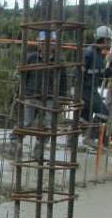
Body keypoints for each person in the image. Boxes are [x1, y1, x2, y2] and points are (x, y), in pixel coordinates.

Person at [6, 30, 69, 160]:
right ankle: (14, 144)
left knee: (47, 126)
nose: (47, 46)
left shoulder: (59, 62)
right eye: (43, 43)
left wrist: (62, 98)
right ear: (39, 44)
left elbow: (63, 81)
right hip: (31, 95)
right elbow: (23, 78)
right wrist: (19, 93)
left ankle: (38, 151)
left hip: (50, 97)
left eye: (51, 43)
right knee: (26, 123)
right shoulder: (31, 58)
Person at [80, 25, 112, 147]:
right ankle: (89, 138)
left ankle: (71, 140)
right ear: (104, 40)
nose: (110, 43)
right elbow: (79, 72)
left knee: (84, 118)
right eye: (109, 40)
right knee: (104, 113)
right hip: (86, 90)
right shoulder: (89, 53)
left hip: (91, 89)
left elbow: (101, 74)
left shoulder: (99, 54)